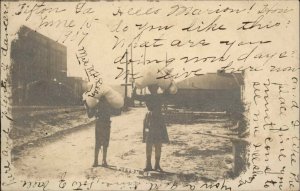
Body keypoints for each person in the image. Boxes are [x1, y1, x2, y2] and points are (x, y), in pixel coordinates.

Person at [133, 84, 170, 172]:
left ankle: (151, 164)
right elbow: (168, 93)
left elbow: (134, 96)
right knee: (155, 142)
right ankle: (154, 164)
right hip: (157, 119)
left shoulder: (148, 97)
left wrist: (135, 87)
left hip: (151, 119)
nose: (153, 89)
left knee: (152, 142)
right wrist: (165, 86)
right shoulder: (159, 96)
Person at [84, 96, 112, 167]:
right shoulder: (108, 104)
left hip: (100, 124)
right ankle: (103, 161)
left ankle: (96, 161)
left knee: (98, 143)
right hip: (106, 124)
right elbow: (117, 112)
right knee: (104, 143)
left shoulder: (96, 105)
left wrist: (87, 106)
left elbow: (90, 115)